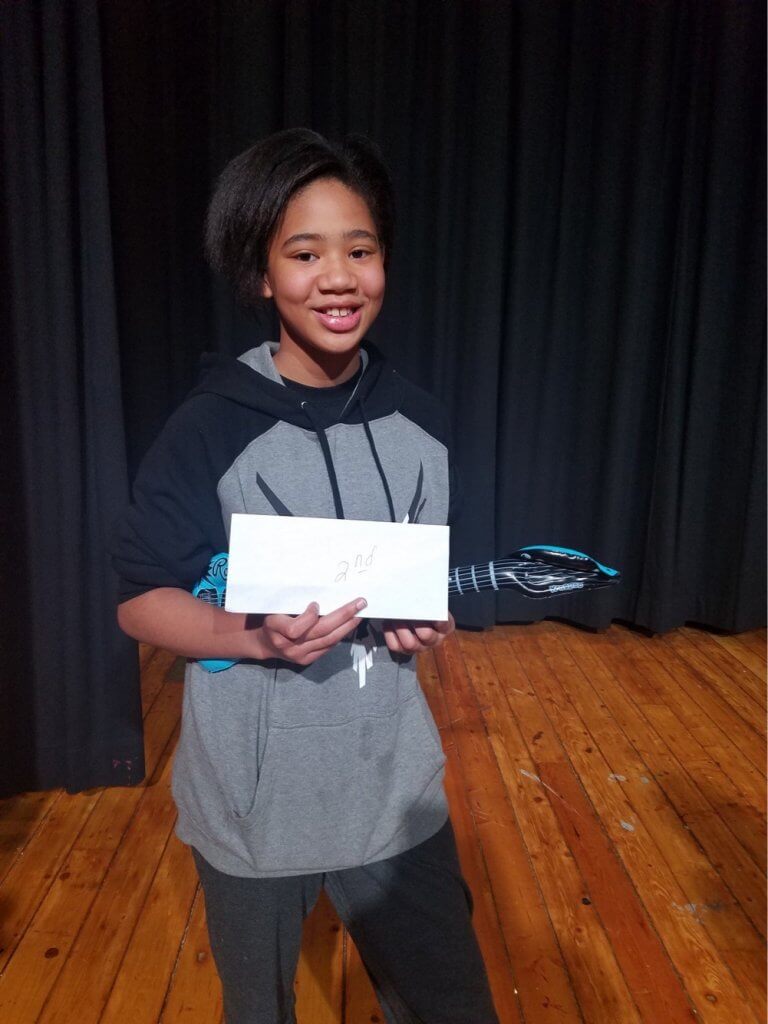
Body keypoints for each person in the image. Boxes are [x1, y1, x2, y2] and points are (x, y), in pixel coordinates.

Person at [112, 128, 499, 1024]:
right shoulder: (211, 427)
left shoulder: (422, 424)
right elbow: (140, 600)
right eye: (305, 253)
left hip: (394, 791)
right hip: (253, 804)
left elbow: (418, 579)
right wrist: (251, 637)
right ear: (261, 274)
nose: (338, 278)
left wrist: (424, 619)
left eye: (359, 250)